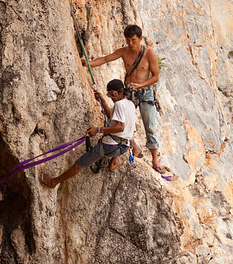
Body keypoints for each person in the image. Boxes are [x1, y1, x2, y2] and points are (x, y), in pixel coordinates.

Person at [83, 24, 168, 175]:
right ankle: (125, 152)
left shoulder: (149, 54)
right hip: (130, 92)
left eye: (133, 40)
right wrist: (88, 63)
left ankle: (155, 161)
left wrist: (140, 85)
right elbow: (106, 58)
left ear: (140, 39)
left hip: (145, 93)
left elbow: (155, 77)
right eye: (128, 40)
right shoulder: (124, 52)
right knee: (119, 120)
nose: (130, 43)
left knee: (149, 126)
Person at [39, 79, 136, 189]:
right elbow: (112, 118)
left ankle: (53, 182)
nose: (112, 98)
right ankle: (115, 159)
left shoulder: (119, 104)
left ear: (121, 91)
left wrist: (98, 130)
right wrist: (102, 100)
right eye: (109, 95)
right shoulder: (130, 104)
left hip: (111, 146)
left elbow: (119, 127)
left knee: (80, 163)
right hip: (124, 146)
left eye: (113, 94)